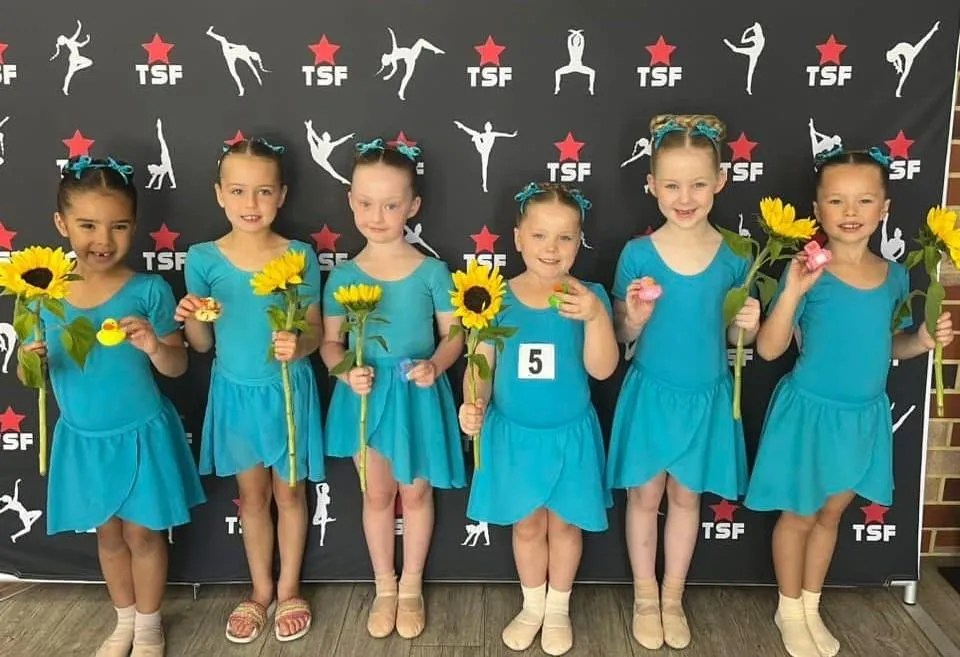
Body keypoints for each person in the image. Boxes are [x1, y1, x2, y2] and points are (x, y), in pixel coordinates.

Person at [744, 148, 954, 657]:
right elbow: (768, 348)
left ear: (884, 208)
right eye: (837, 201)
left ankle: (811, 605)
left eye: (864, 200)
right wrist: (792, 293)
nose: (851, 211)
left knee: (831, 514)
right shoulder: (806, 271)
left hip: (862, 418)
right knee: (799, 515)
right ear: (818, 209)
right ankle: (789, 608)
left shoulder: (896, 277)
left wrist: (922, 341)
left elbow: (890, 346)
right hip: (810, 415)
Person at [19, 155, 205, 656]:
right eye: (88, 225)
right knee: (108, 535)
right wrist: (29, 359)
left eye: (118, 226)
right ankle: (123, 621)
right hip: (84, 439)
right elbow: (28, 375)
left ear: (134, 226)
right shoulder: (43, 295)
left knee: (144, 534)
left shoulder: (149, 290)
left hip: (141, 433)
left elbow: (177, 366)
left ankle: (148, 625)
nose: (103, 239)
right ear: (61, 224)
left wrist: (154, 346)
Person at [605, 114, 761, 650]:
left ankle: (673, 596)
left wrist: (748, 324)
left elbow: (734, 335)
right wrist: (633, 319)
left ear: (721, 181)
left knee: (687, 499)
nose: (685, 197)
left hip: (706, 397)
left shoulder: (738, 255)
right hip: (652, 394)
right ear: (651, 185)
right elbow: (621, 332)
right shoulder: (637, 255)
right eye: (672, 185)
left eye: (698, 184)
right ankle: (645, 596)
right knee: (644, 497)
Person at [459, 182, 618, 655]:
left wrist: (596, 317)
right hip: (515, 437)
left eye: (565, 237)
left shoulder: (588, 297)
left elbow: (602, 369)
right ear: (518, 238)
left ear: (579, 242)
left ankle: (558, 607)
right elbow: (480, 365)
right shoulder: (495, 299)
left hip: (570, 437)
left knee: (566, 526)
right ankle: (532, 605)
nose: (552, 248)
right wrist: (472, 402)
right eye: (540, 236)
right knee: (527, 525)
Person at [177, 137, 324, 644]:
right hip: (236, 394)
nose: (251, 203)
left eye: (263, 191)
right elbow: (201, 344)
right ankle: (260, 590)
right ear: (219, 194)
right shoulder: (203, 258)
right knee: (253, 496)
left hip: (287, 391)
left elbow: (314, 329)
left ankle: (289, 588)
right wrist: (192, 317)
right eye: (238, 191)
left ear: (281, 195)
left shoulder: (299, 255)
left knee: (290, 492)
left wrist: (298, 344)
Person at [320, 138, 465, 640]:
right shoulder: (341, 276)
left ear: (413, 206)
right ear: (350, 202)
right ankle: (384, 585)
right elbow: (330, 344)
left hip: (415, 393)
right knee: (377, 493)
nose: (376, 216)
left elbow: (455, 335)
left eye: (390, 205)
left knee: (416, 491)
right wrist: (345, 371)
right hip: (366, 395)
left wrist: (436, 365)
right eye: (365, 203)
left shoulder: (432, 272)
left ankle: (411, 586)